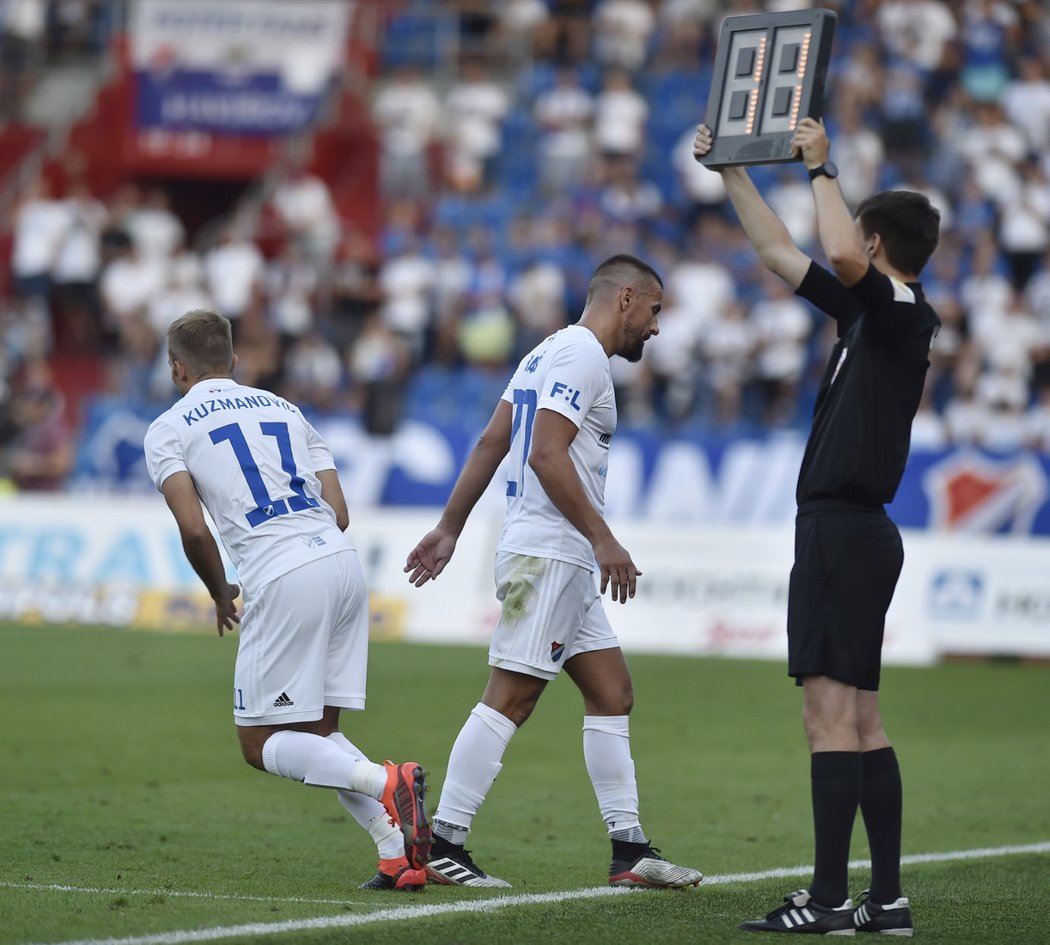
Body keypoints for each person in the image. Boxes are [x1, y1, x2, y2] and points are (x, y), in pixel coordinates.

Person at [694, 119, 940, 936]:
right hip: (851, 530)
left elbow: (837, 255)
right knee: (861, 722)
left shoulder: (897, 307)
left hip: (844, 530)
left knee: (828, 721)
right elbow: (779, 255)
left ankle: (831, 900)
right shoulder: (873, 314)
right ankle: (887, 898)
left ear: (874, 240)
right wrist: (733, 172)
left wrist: (821, 165)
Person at [404, 254, 702, 890]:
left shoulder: (544, 353)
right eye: (654, 311)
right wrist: (604, 539)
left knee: (612, 691)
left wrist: (450, 526)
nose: (654, 328)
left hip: (554, 550)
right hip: (552, 551)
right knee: (512, 695)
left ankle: (630, 850)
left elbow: (493, 441)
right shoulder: (582, 358)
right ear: (625, 298)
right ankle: (443, 843)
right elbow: (543, 452)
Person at [143, 309, 432, 892]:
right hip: (341, 562)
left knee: (260, 743)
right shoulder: (286, 409)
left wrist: (219, 589)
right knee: (318, 732)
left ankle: (386, 780)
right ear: (235, 360)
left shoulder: (170, 428)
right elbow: (341, 512)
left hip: (281, 573)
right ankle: (395, 853)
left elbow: (194, 530)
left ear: (177, 367)